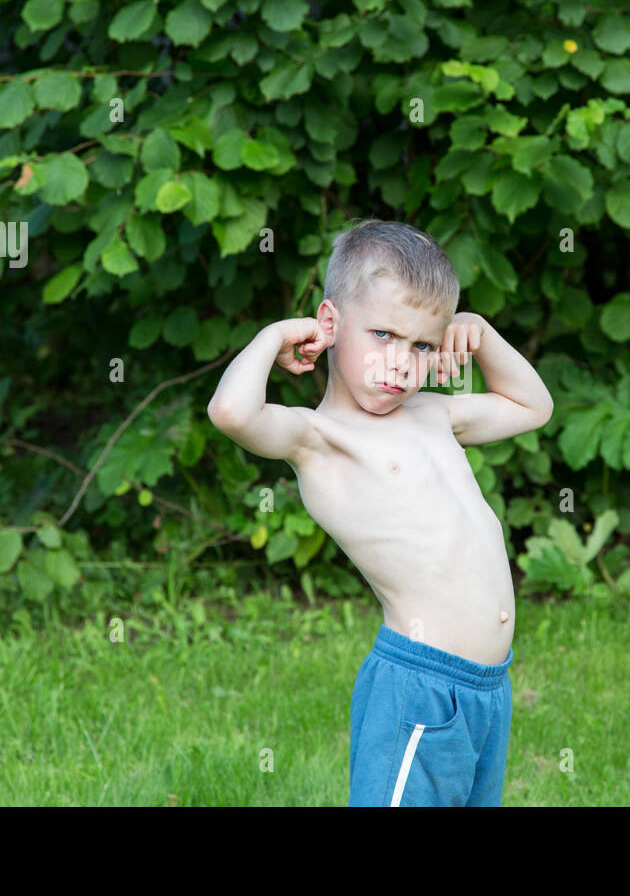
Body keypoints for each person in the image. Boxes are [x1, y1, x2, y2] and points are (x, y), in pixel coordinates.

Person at [207, 218, 553, 805]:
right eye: (384, 335)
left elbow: (533, 405)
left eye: (422, 345)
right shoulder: (321, 439)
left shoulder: (435, 414)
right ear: (331, 324)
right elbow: (233, 414)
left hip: (486, 689)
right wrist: (275, 335)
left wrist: (481, 334)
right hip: (418, 685)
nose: (400, 362)